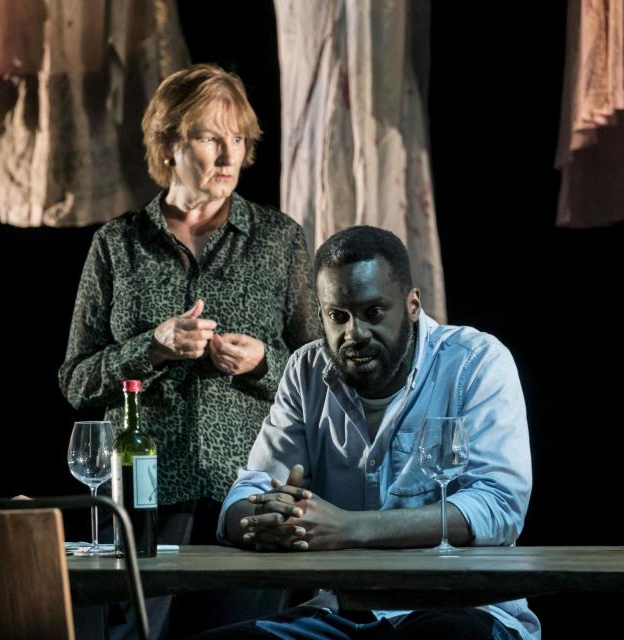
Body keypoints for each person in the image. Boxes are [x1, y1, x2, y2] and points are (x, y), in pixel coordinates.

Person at [59, 63, 320, 636]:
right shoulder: (118, 244)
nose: (230, 156)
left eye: (239, 139)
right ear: (170, 143)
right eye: (210, 137)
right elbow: (76, 381)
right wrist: (149, 348)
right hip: (145, 495)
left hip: (252, 493)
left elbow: (321, 377)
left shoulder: (279, 239)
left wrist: (261, 364)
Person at [210, 226, 540, 639]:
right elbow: (247, 493)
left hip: (463, 607)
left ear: (413, 304)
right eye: (338, 317)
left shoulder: (476, 362)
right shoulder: (305, 370)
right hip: (343, 614)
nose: (355, 334)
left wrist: (349, 528)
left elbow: (498, 507)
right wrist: (266, 516)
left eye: (373, 313)